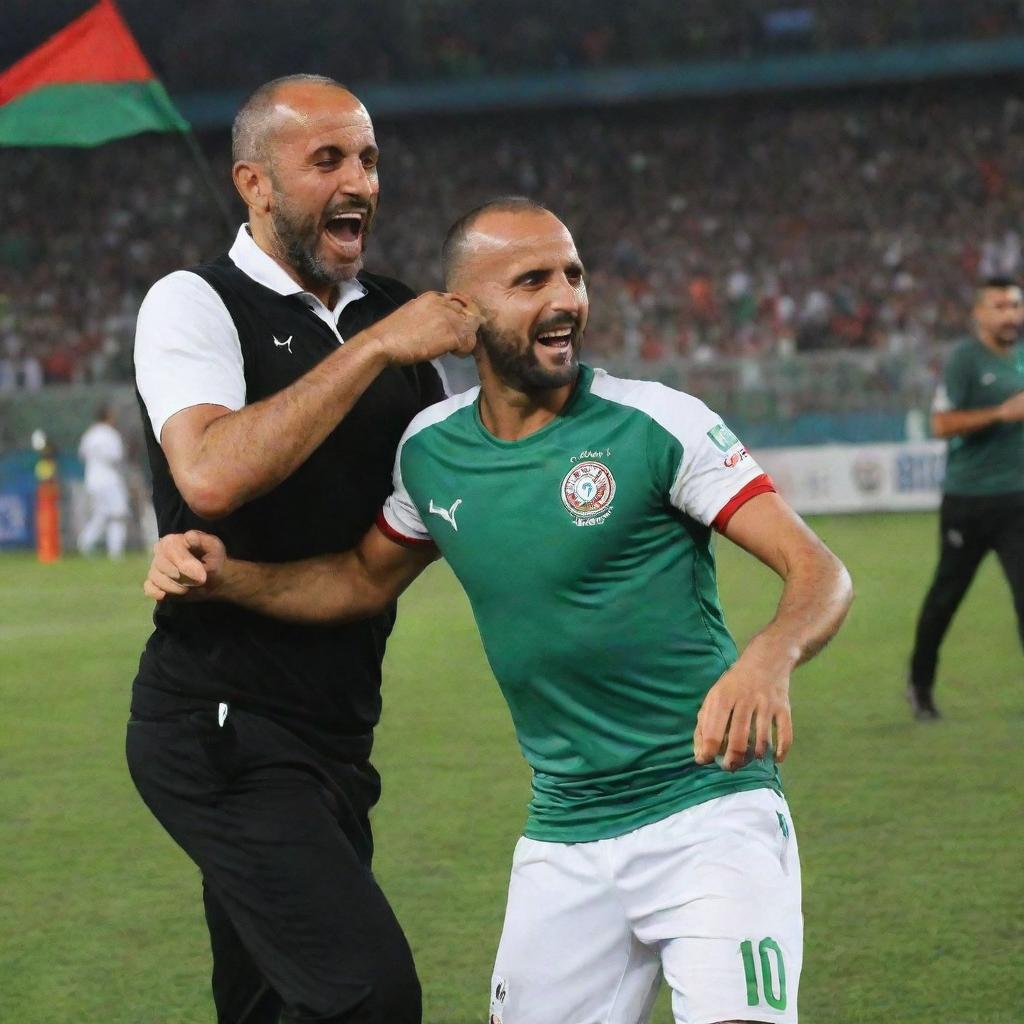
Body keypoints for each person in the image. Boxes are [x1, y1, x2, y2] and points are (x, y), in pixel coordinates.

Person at [145, 198, 853, 1024]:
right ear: (463, 315)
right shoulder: (431, 449)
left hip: (709, 814)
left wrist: (769, 658)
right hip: (565, 835)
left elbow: (819, 570)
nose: (566, 299)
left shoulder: (657, 423)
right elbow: (359, 581)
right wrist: (227, 579)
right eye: (532, 280)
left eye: (574, 275)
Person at [128, 74, 480, 1024]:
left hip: (337, 733)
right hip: (221, 726)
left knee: (274, 1005)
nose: (358, 180)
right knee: (369, 996)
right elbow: (207, 474)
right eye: (326, 159)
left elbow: (387, 561)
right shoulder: (193, 303)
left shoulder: (403, 317)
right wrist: (369, 353)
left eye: (366, 157)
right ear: (254, 183)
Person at [907, 276, 1024, 720]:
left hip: (1018, 501)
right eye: (999, 306)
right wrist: (1001, 412)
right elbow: (941, 425)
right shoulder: (964, 360)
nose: (1010, 314)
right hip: (970, 500)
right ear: (979, 314)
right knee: (946, 597)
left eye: (1014, 305)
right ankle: (920, 685)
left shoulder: (1021, 358)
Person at [77, 403, 130, 558]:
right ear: (108, 416)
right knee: (118, 514)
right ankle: (116, 552)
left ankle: (85, 543)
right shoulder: (110, 434)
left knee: (102, 514)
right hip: (109, 480)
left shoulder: (90, 434)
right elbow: (117, 457)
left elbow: (82, 454)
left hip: (92, 479)